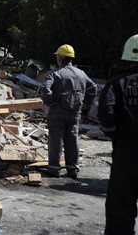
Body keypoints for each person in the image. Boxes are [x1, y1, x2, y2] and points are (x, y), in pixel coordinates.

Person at [97, 34, 138, 235]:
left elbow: (106, 116)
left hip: (127, 153)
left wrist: (116, 136)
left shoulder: (117, 83)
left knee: (120, 209)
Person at [41, 44, 97, 179]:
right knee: (72, 138)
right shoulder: (81, 74)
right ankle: (72, 169)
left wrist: (49, 100)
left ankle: (54, 169)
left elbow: (45, 89)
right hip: (75, 112)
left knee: (56, 139)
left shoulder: (54, 74)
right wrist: (85, 104)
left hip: (58, 111)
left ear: (60, 57)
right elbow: (93, 88)